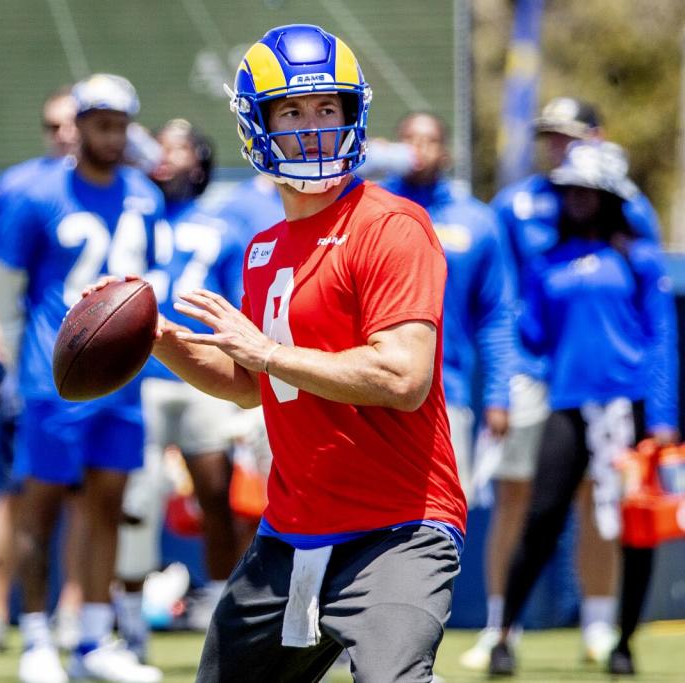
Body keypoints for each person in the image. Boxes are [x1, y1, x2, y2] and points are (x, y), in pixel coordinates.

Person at [85, 25, 466, 682]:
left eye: (328, 108)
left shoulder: (391, 224)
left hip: (396, 526)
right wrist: (162, 339)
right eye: (291, 111)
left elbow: (402, 375)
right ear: (257, 124)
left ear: (354, 115)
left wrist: (266, 352)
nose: (314, 128)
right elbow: (249, 382)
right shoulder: (264, 248)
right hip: (291, 532)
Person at [470, 97, 674, 670]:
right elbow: (528, 333)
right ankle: (504, 633)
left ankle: (622, 641)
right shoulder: (548, 263)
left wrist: (661, 417)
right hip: (567, 404)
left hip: (628, 407)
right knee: (541, 516)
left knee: (632, 524)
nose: (576, 198)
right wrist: (510, 380)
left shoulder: (641, 259)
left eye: (587, 190)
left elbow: (661, 342)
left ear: (609, 196)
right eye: (569, 190)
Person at [0, 73, 164, 683]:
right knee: (41, 507)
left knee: (109, 506)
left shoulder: (145, 194)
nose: (112, 137)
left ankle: (92, 640)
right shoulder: (37, 193)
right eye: (102, 124)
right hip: (51, 376)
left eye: (121, 125)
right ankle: (36, 638)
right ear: (79, 125)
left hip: (124, 379)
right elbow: (3, 286)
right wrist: (19, 361)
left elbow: (150, 285)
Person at [114, 119, 248, 657]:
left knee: (216, 496)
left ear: (201, 160)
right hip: (140, 377)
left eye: (180, 148)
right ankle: (128, 626)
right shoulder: (132, 212)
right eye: (161, 147)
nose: (167, 158)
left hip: (205, 376)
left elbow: (240, 306)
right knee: (137, 500)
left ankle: (223, 615)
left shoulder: (226, 223)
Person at [0, 85, 83, 656]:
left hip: (96, 375)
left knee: (89, 496)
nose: (61, 135)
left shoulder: (114, 185)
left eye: (70, 123)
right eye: (50, 125)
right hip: (35, 369)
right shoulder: (24, 186)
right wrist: (3, 344)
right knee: (19, 491)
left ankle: (76, 617)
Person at [382, 111, 515, 492]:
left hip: (447, 396)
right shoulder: (367, 209)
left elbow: (496, 315)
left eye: (429, 140)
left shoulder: (477, 221)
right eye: (408, 139)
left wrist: (498, 395)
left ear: (446, 154)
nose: (418, 149)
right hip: (370, 393)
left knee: (439, 521)